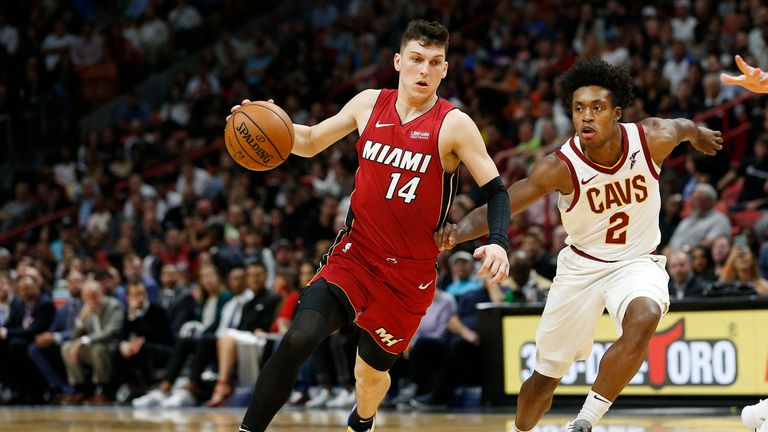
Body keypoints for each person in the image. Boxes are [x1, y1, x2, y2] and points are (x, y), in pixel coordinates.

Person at [228, 19, 511, 432]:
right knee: (299, 337)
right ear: (398, 61)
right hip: (356, 255)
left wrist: (499, 241)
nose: (424, 70)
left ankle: (362, 419)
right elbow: (307, 141)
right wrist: (265, 120)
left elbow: (497, 191)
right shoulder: (367, 104)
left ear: (445, 69)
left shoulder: (454, 125)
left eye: (434, 62)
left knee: (370, 377)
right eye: (416, 59)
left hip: (409, 275)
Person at [435, 58, 723, 432]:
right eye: (578, 109)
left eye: (597, 108)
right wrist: (457, 230)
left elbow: (682, 127)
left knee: (646, 315)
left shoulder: (651, 138)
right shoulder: (558, 166)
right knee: (544, 379)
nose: (586, 117)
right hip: (581, 267)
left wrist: (698, 134)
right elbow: (503, 203)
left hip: (636, 262)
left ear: (617, 113)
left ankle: (585, 421)